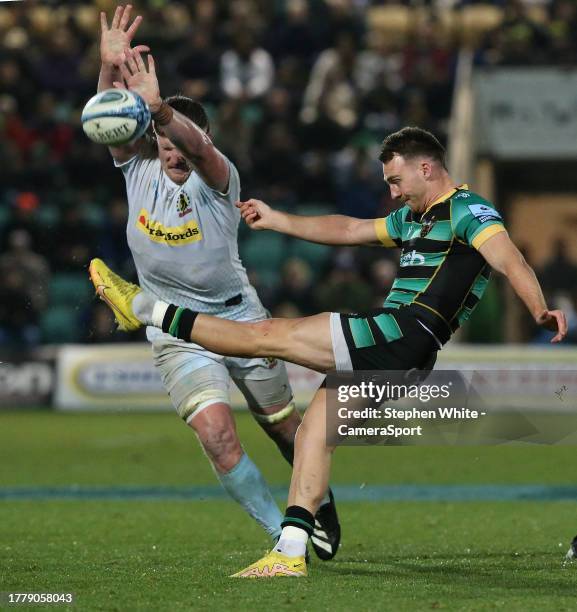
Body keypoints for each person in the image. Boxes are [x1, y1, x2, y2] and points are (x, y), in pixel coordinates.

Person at [91, 120, 567, 578]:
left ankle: (146, 309)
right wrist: (278, 220)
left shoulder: (467, 209)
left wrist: (539, 309)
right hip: (407, 353)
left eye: (396, 180)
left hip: (403, 331)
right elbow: (348, 230)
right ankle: (291, 549)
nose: (393, 192)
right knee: (313, 434)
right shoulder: (411, 218)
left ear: (427, 168)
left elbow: (510, 258)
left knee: (266, 336)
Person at [92, 5, 340, 559]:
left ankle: (319, 501)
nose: (172, 152)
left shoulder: (217, 178)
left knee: (282, 426)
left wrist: (158, 109)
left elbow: (201, 151)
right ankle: (284, 533)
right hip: (176, 328)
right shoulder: (138, 170)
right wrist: (108, 69)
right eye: (163, 143)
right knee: (217, 436)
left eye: (177, 139)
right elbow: (107, 115)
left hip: (239, 317)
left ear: (199, 133)